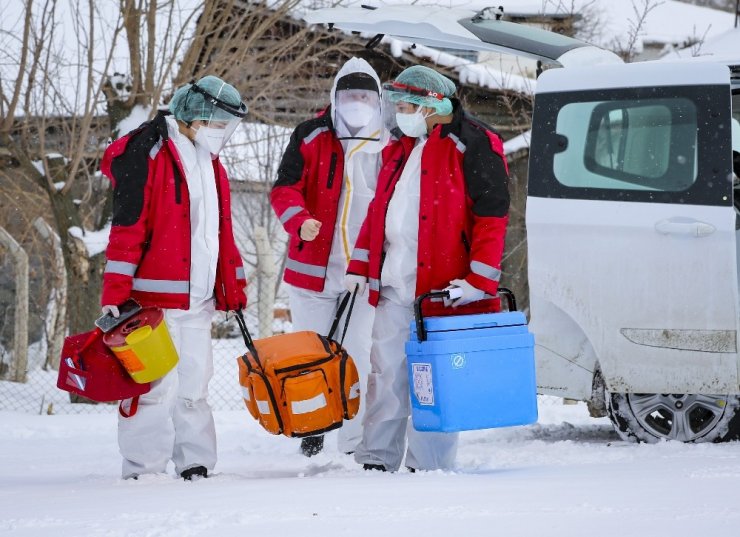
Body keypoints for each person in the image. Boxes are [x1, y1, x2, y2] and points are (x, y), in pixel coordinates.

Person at [345, 65, 510, 472]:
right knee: (385, 376)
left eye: (405, 105)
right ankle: (376, 460)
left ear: (431, 103)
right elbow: (379, 214)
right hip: (395, 285)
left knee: (434, 383)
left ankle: (429, 465)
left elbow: (492, 215)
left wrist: (480, 280)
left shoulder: (474, 144)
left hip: (443, 292)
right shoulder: (401, 148)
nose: (400, 113)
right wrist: (360, 265)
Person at [100, 75, 248, 480]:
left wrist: (230, 285)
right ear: (195, 115)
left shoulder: (208, 158)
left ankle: (195, 462)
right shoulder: (146, 152)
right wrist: (115, 291)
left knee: (195, 385)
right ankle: (144, 469)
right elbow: (127, 229)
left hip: (197, 299)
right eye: (218, 123)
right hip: (151, 303)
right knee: (152, 389)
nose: (221, 133)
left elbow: (218, 232)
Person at [271, 57, 383, 457]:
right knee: (312, 357)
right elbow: (284, 189)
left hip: (363, 275)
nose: (358, 102)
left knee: (357, 360)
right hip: (312, 272)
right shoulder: (310, 135)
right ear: (336, 97)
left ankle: (353, 442)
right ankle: (313, 425)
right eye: (350, 95)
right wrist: (299, 221)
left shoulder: (388, 141)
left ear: (377, 98)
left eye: (364, 95)